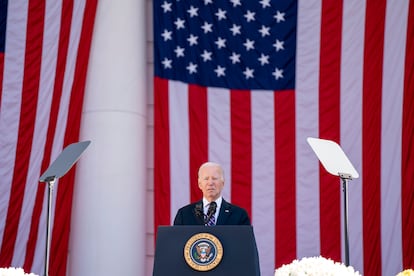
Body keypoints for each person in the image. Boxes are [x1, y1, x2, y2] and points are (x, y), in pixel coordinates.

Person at [173, 161, 251, 225]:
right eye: (206, 179)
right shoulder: (184, 214)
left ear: (223, 183)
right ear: (199, 184)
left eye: (214, 178)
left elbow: (245, 243)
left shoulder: (239, 215)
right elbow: (176, 242)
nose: (210, 183)